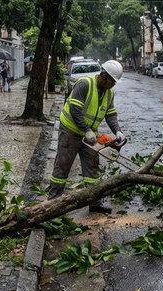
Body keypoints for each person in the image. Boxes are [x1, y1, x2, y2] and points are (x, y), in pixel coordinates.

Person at [47, 60, 125, 214]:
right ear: (103, 75)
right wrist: (86, 130)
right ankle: (52, 203)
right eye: (112, 81)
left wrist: (117, 131)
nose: (113, 85)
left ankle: (94, 202)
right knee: (62, 166)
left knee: (92, 168)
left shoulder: (109, 93)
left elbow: (110, 114)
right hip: (70, 130)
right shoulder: (84, 84)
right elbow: (75, 109)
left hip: (90, 134)